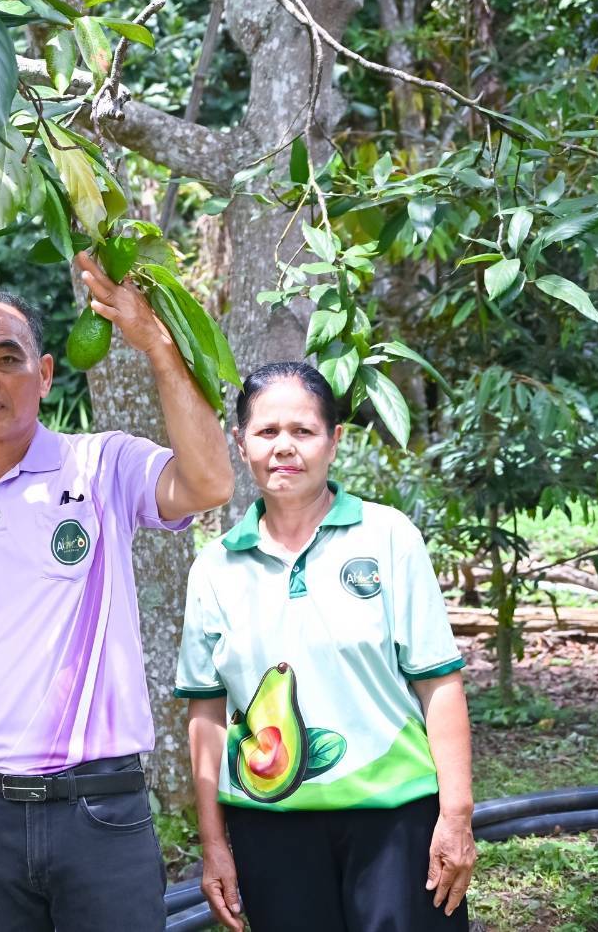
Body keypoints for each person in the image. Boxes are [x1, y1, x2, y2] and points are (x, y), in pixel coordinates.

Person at [0, 252, 235, 932]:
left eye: (8, 360)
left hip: (102, 809)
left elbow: (210, 483)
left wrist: (156, 346)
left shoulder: (102, 467)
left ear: (45, 374)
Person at [175, 361, 475, 932]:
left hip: (394, 818)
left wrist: (456, 814)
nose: (284, 447)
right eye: (266, 433)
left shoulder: (389, 538)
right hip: (268, 826)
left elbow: (439, 682)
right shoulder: (214, 568)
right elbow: (207, 712)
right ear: (240, 444)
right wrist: (214, 843)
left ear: (334, 441)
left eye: (303, 431)